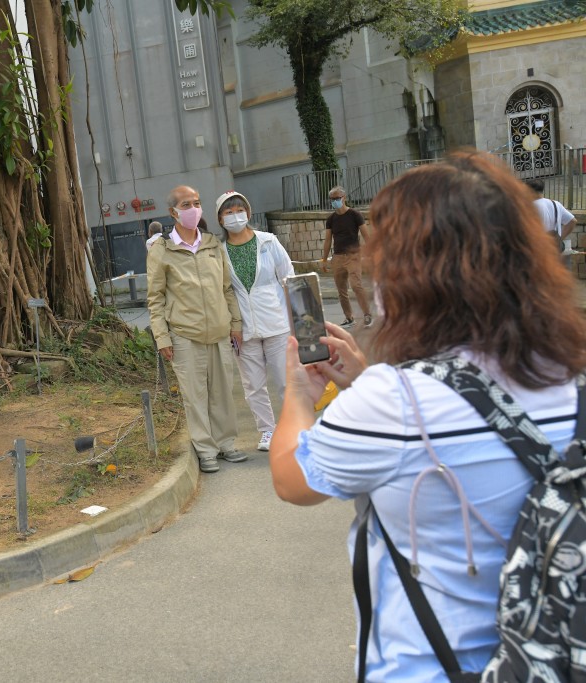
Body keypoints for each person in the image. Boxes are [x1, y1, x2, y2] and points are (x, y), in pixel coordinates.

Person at [269, 151, 586, 681]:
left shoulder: (394, 404)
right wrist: (366, 380)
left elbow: (293, 479)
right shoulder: (570, 380)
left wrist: (299, 395)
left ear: (412, 273)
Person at [146, 185, 248, 473]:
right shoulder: (162, 250)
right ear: (173, 212)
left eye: (197, 203)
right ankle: (206, 450)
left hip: (218, 330)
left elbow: (227, 288)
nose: (193, 209)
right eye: (187, 204)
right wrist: (161, 336)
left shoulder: (212, 243)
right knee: (195, 395)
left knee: (223, 392)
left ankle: (227, 443)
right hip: (184, 335)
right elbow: (155, 298)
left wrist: (235, 323)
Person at [216, 190, 294, 452]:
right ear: (220, 219)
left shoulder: (268, 242)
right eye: (228, 212)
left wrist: (297, 320)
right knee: (253, 385)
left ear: (248, 213)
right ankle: (267, 430)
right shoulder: (219, 251)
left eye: (239, 210)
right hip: (242, 330)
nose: (235, 216)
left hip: (276, 322)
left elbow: (289, 278)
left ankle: (293, 426)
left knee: (285, 380)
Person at [321, 186, 372, 328]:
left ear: (344, 198)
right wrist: (324, 260)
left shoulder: (355, 215)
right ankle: (349, 317)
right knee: (341, 289)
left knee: (356, 285)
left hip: (353, 256)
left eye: (337, 198)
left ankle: (367, 314)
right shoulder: (331, 219)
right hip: (337, 257)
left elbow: (366, 235)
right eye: (332, 199)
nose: (334, 201)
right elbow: (327, 240)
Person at [525, 178, 576, 253]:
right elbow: (573, 221)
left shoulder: (528, 207)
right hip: (554, 248)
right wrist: (560, 238)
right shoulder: (556, 204)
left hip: (538, 249)